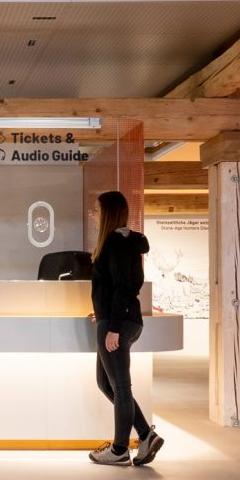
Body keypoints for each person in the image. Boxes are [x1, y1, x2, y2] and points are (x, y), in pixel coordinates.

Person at [87, 190, 162, 466]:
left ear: (108, 213)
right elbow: (119, 286)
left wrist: (114, 326)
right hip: (116, 319)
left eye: (96, 210)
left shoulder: (115, 243)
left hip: (118, 323)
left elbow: (122, 288)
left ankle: (119, 449)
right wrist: (103, 312)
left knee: (119, 386)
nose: (92, 214)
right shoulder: (123, 242)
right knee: (107, 383)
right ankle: (145, 435)